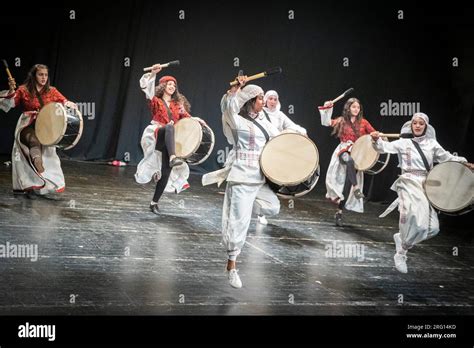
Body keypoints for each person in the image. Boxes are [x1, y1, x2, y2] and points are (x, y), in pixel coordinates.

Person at [370, 113, 473, 273]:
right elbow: (384, 148)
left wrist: (464, 163)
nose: (417, 126)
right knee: (412, 216)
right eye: (415, 123)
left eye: (421, 124)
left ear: (426, 127)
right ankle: (401, 254)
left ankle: (403, 242)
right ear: (411, 126)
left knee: (433, 229)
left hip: (426, 184)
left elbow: (446, 158)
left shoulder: (432, 144)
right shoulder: (403, 142)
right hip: (407, 181)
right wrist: (376, 140)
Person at [216, 76, 281, 288]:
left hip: (259, 178)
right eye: (260, 98)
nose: (263, 102)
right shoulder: (237, 120)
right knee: (239, 225)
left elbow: (279, 138)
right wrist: (236, 89)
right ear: (250, 100)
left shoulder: (265, 122)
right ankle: (231, 266)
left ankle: (243, 209)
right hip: (242, 177)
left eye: (264, 98)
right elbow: (228, 108)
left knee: (273, 207)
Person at [0, 64, 77, 195]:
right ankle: (37, 161)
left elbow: (64, 101)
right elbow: (10, 104)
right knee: (32, 140)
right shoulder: (24, 90)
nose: (43, 77)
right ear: (34, 75)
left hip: (45, 127)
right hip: (27, 124)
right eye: (40, 74)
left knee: (45, 150)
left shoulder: (52, 91)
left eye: (46, 75)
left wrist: (68, 103)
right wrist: (11, 90)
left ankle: (41, 178)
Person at [135, 64, 196, 214]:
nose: (172, 87)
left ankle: (154, 203)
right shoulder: (155, 100)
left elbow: (186, 119)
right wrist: (152, 73)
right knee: (169, 126)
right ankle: (173, 157)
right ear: (163, 86)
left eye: (174, 85)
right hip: (157, 134)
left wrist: (197, 121)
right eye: (169, 84)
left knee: (166, 172)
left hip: (169, 141)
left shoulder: (177, 105)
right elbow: (146, 88)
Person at [319, 97, 376, 226]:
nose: (356, 109)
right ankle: (357, 188)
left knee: (347, 185)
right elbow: (326, 122)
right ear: (348, 108)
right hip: (343, 151)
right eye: (353, 107)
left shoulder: (364, 123)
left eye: (358, 107)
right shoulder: (341, 121)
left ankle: (339, 212)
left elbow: (373, 133)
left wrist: (377, 135)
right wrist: (327, 107)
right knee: (349, 161)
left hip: (357, 153)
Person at [253, 90, 308, 225]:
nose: (272, 101)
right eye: (270, 98)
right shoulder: (260, 114)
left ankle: (262, 211)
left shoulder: (280, 115)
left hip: (275, 152)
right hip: (261, 150)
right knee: (258, 179)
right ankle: (253, 204)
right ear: (265, 100)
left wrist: (302, 132)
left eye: (275, 99)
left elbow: (293, 126)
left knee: (271, 182)